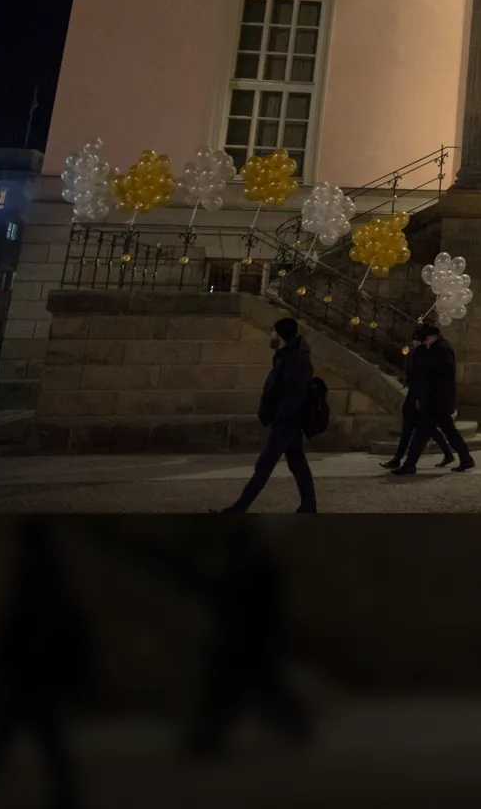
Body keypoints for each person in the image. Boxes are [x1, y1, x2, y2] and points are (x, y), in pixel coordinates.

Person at [0, 521, 90, 809]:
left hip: (31, 679)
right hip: (36, 678)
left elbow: (25, 629)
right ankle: (66, 797)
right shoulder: (48, 579)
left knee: (4, 746)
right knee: (41, 746)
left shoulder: (35, 579)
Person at [185, 523, 314, 755]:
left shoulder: (251, 571)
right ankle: (207, 739)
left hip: (246, 642)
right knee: (246, 690)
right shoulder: (254, 570)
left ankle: (207, 739)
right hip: (247, 642)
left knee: (239, 691)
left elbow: (250, 609)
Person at [221, 316, 317, 513]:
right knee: (298, 467)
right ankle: (309, 506)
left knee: (264, 467)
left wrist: (280, 416)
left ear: (280, 334)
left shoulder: (294, 358)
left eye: (273, 331)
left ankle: (239, 508)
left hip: (286, 423)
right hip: (288, 422)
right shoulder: (287, 355)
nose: (271, 335)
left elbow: (294, 393)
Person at [396, 324, 477, 473]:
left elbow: (437, 372)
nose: (424, 342)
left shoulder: (441, 350)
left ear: (433, 337)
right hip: (435, 400)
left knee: (422, 433)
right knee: (448, 431)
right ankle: (466, 459)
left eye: (426, 339)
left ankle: (409, 464)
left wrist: (422, 354)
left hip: (437, 400)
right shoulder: (436, 349)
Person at [381, 325, 457, 473]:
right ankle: (402, 460)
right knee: (418, 429)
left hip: (424, 396)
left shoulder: (433, 351)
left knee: (422, 430)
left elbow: (428, 375)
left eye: (417, 340)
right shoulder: (420, 352)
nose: (414, 343)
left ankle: (406, 462)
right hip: (418, 395)